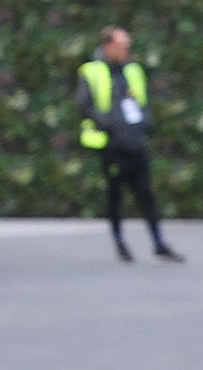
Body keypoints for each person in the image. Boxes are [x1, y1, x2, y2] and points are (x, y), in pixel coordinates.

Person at [76, 26, 179, 263]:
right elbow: (85, 105)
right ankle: (120, 244)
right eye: (121, 45)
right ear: (107, 46)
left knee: (147, 194)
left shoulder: (133, 70)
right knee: (115, 197)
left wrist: (144, 124)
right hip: (111, 146)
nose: (126, 50)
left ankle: (158, 244)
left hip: (135, 143)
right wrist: (110, 126)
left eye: (127, 46)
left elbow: (142, 102)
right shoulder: (92, 71)